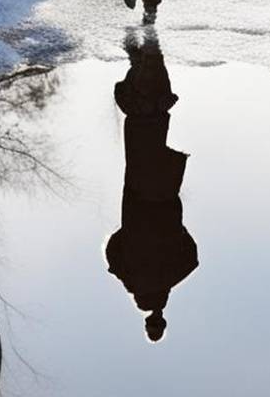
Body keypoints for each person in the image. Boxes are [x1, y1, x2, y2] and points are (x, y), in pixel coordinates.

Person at [105, 35, 198, 343]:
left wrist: (178, 231)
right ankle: (144, 65)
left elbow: (193, 256)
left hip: (165, 201)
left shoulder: (174, 275)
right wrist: (128, 231)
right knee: (143, 136)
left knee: (154, 132)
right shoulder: (130, 279)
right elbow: (112, 250)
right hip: (137, 201)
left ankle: (147, 67)